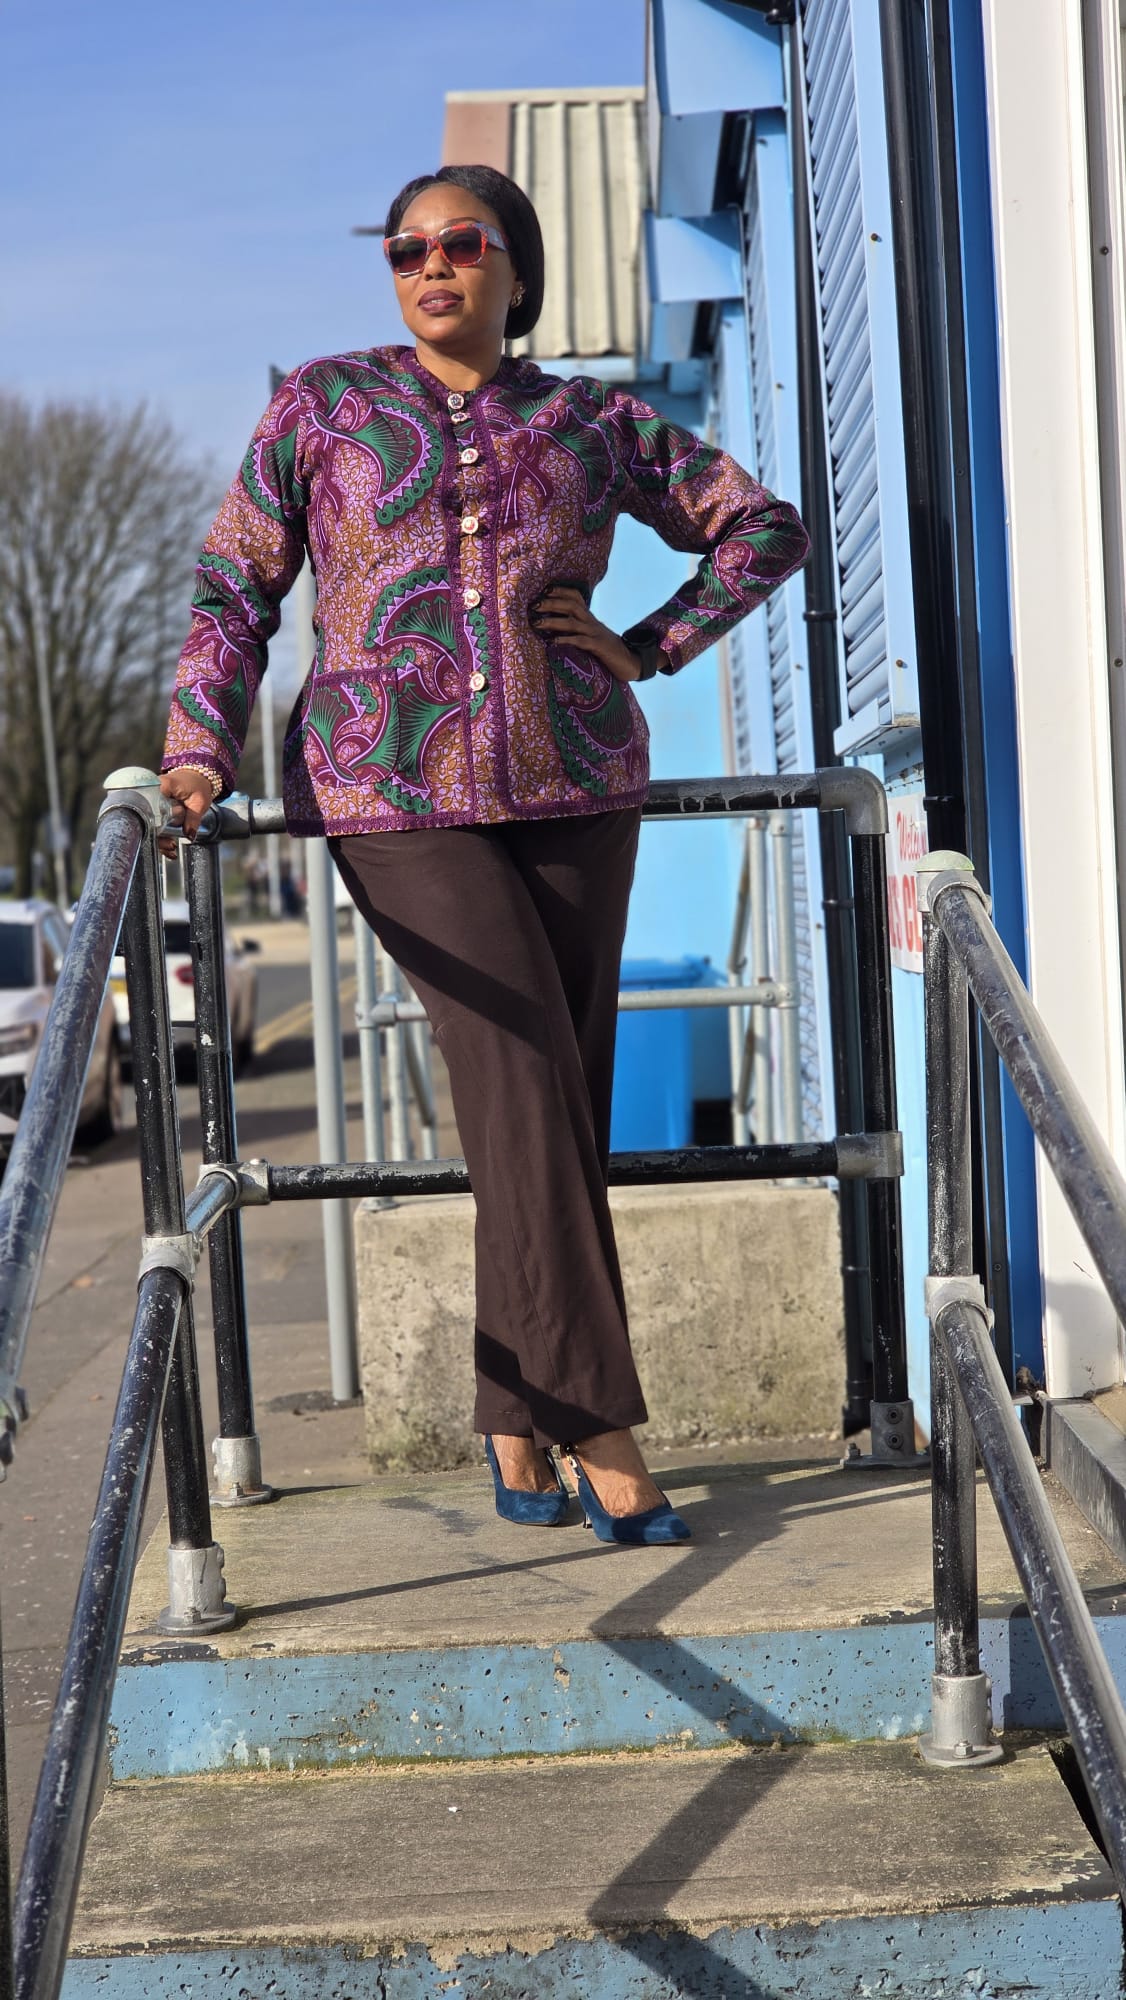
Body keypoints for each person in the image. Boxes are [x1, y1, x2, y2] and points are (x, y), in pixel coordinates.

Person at [158, 164, 809, 1546]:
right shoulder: (324, 405)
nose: (432, 266)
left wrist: (650, 646)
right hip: (388, 791)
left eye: (463, 243)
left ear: (518, 267)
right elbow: (233, 584)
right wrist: (197, 747)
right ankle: (602, 1429)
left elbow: (764, 528)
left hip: (577, 785)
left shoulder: (592, 420)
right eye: (407, 250)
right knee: (517, 1070)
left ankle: (515, 1417)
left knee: (557, 1101)